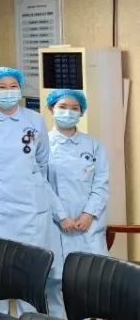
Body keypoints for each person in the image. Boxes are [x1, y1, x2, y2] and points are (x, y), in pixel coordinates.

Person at [0, 67, 63, 317]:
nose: (8, 91)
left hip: (29, 209)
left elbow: (42, 160)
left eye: (13, 86)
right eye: (2, 87)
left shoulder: (34, 120)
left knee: (28, 275)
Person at [46, 89, 110, 258]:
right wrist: (61, 217)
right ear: (51, 108)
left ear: (81, 112)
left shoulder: (94, 145)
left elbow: (101, 184)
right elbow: (42, 185)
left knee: (93, 270)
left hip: (89, 225)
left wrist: (89, 214)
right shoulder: (43, 144)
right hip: (55, 223)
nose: (68, 112)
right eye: (63, 106)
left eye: (75, 108)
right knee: (58, 270)